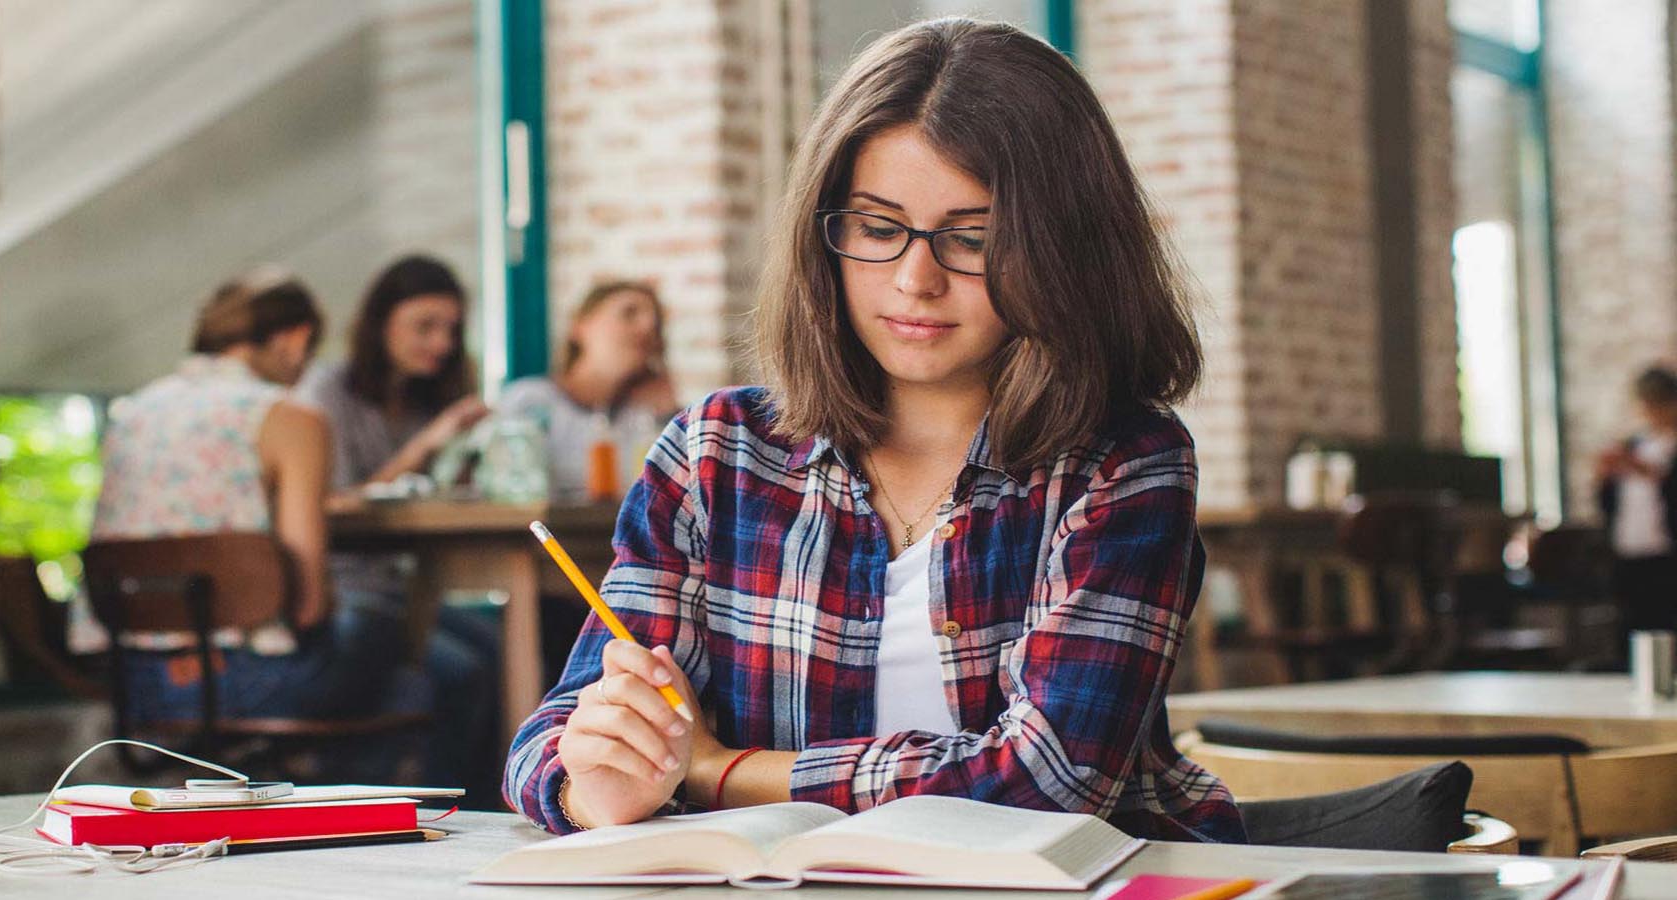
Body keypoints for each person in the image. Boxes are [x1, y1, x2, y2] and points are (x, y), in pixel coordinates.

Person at [503, 19, 1244, 842]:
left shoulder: (1125, 463)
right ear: (827, 235)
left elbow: (1051, 782)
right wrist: (594, 787)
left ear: (1062, 251)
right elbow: (554, 735)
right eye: (878, 228)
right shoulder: (714, 454)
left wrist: (718, 771)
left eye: (974, 238)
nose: (915, 280)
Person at [90, 268, 426, 780]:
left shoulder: (132, 414)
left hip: (134, 683)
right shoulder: (290, 418)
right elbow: (310, 605)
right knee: (416, 669)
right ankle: (332, 818)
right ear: (294, 340)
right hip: (249, 680)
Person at [292, 254, 499, 800]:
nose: (441, 343)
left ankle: (482, 805)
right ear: (381, 322)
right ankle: (439, 808)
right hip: (346, 587)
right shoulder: (326, 392)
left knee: (503, 649)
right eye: (424, 326)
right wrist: (426, 445)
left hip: (410, 585)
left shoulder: (430, 394)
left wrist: (468, 450)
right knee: (464, 671)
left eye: (451, 330)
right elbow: (329, 505)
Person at [494, 281, 679, 500]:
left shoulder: (648, 415)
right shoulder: (530, 401)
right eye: (629, 313)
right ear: (580, 326)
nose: (647, 327)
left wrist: (669, 416)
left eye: (656, 324)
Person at [1598, 366, 1677, 640]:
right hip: (1631, 548)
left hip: (1667, 551)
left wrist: (1653, 474)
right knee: (1633, 624)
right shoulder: (1633, 445)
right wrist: (1605, 477)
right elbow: (1612, 500)